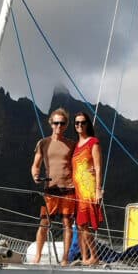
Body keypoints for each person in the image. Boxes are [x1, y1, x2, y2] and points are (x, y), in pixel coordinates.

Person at [30, 108, 76, 265]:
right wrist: (35, 175)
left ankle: (65, 259)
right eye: (56, 123)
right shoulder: (43, 143)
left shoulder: (72, 145)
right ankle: (37, 256)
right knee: (43, 223)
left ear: (66, 125)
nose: (59, 126)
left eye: (62, 123)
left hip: (69, 189)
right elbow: (36, 165)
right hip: (50, 189)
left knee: (67, 224)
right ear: (51, 123)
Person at [72, 113, 104, 265]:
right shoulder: (76, 146)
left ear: (88, 124)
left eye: (83, 122)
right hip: (77, 189)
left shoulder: (93, 142)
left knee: (83, 223)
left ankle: (94, 256)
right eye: (77, 123)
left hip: (88, 187)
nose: (79, 125)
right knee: (79, 224)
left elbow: (97, 167)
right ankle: (85, 258)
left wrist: (98, 189)